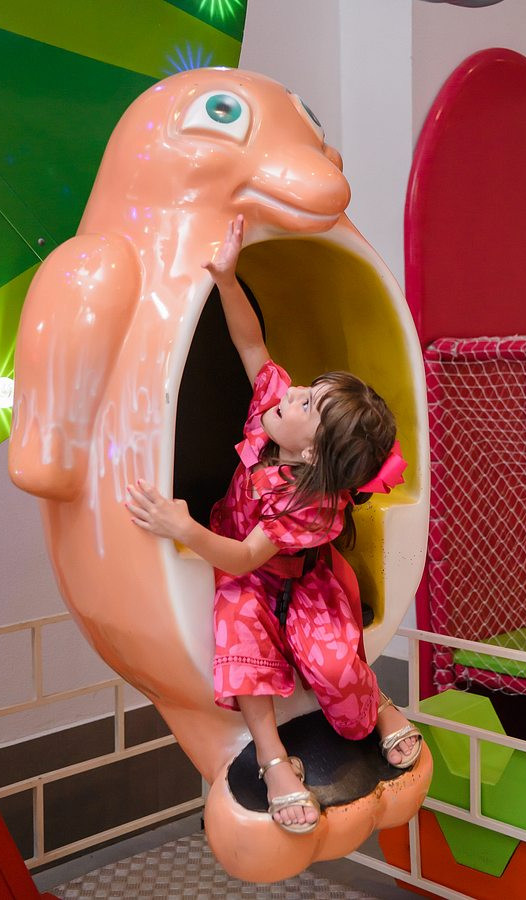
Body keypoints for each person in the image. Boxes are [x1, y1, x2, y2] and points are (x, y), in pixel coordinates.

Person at [126, 215, 422, 834]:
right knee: (243, 642)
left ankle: (376, 704)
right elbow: (250, 344)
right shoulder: (273, 415)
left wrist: (181, 527)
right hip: (247, 571)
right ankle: (272, 759)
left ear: (310, 452)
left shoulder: (307, 503)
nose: (293, 392)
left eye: (306, 403)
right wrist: (227, 280)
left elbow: (240, 557)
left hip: (288, 571)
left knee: (335, 669)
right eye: (308, 389)